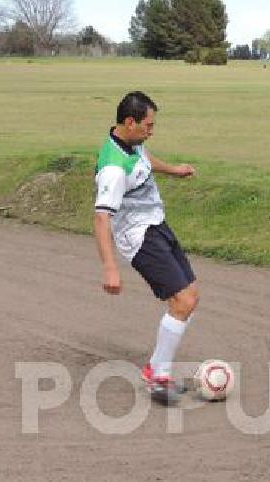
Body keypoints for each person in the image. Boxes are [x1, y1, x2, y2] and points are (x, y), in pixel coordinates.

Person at [92, 91, 198, 404]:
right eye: (148, 126)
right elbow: (101, 219)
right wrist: (109, 266)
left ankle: (156, 367)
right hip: (138, 236)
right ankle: (158, 375)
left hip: (157, 224)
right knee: (183, 301)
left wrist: (174, 169)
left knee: (191, 297)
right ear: (129, 122)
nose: (152, 130)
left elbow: (145, 159)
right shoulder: (113, 169)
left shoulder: (132, 142)